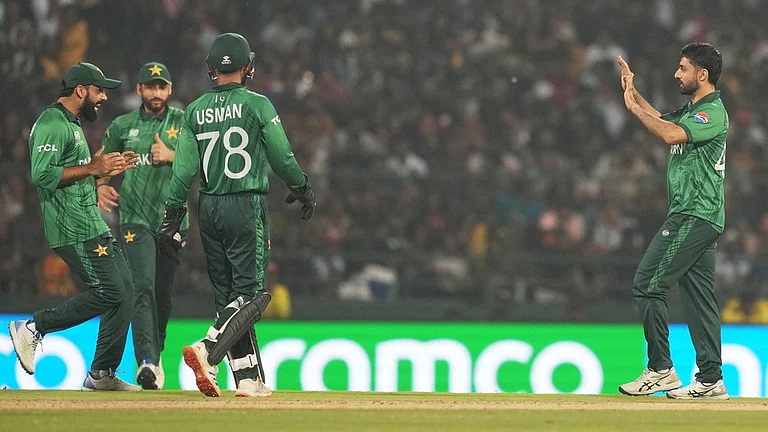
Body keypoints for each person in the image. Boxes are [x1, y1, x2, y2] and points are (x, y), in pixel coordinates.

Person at [156, 33, 316, 398]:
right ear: (248, 67)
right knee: (253, 295)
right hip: (245, 203)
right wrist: (302, 188)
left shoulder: (194, 110)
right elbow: (282, 157)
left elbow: (182, 171)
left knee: (228, 296)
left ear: (211, 69)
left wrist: (171, 216)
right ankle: (209, 349)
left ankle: (248, 379)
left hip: (208, 207)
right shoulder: (258, 105)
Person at [9, 62, 141, 392]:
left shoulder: (71, 124)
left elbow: (73, 172)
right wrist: (93, 167)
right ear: (80, 90)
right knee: (111, 291)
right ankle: (33, 326)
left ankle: (101, 374)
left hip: (89, 223)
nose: (103, 98)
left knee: (125, 292)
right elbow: (42, 176)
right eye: (99, 91)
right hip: (73, 229)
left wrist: (100, 173)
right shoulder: (52, 123)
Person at [617, 43, 729, 400]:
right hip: (698, 213)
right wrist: (632, 93)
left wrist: (634, 110)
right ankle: (711, 379)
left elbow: (668, 134)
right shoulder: (692, 110)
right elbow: (664, 121)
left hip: (694, 213)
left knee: (647, 283)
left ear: (702, 75)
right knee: (699, 299)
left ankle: (661, 369)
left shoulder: (712, 113)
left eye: (682, 68)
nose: (676, 74)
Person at [97, 62, 187, 390]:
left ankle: (156, 354)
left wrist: (173, 155)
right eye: (150, 87)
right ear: (139, 91)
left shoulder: (183, 121)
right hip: (134, 217)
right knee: (143, 287)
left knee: (162, 295)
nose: (156, 93)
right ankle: (146, 361)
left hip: (172, 220)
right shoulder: (123, 125)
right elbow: (103, 159)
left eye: (161, 87)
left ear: (170, 89)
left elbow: (205, 159)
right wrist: (101, 184)